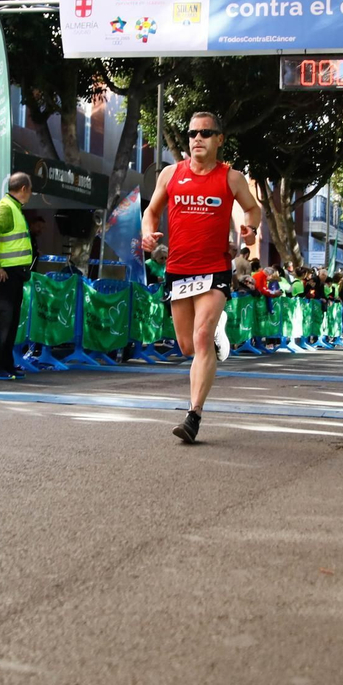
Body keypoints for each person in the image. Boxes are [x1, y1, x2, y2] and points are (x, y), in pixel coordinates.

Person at [142, 111, 263, 442]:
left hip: (214, 269)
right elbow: (151, 212)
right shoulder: (171, 174)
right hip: (179, 269)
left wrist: (250, 229)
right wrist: (148, 234)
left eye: (206, 133)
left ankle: (193, 415)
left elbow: (253, 209)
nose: (197, 138)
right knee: (186, 346)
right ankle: (214, 332)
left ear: (219, 139)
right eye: (193, 132)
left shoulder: (231, 177)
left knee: (201, 336)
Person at [0, 171, 35, 381]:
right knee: (2, 322)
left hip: (14, 273)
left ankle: (6, 364)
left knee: (11, 322)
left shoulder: (14, 208)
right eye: (30, 191)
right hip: (5, 274)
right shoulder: (6, 208)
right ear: (23, 189)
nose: (30, 195)